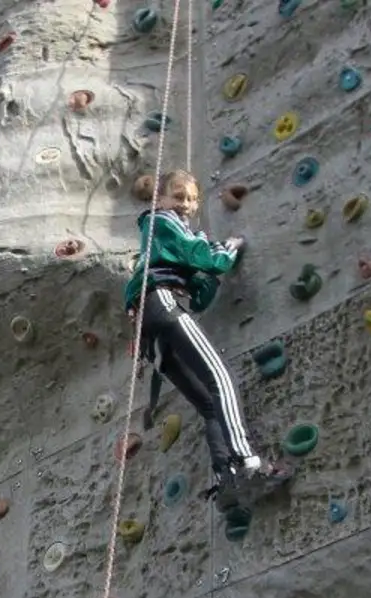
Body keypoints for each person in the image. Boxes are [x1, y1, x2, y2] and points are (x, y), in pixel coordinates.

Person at [124, 169, 292, 505]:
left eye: (190, 199)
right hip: (163, 303)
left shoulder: (165, 243)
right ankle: (248, 463)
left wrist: (212, 270)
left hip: (152, 329)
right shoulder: (162, 220)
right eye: (177, 196)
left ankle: (225, 477)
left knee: (208, 404)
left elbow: (199, 296)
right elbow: (207, 258)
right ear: (160, 198)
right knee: (221, 380)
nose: (184, 204)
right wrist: (229, 249)